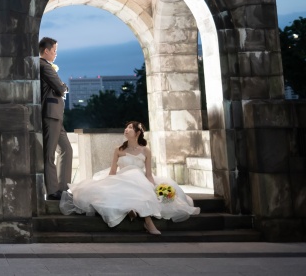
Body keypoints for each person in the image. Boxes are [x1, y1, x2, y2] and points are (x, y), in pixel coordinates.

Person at [59, 121, 200, 235]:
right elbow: (113, 171)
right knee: (123, 185)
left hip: (140, 179)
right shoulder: (119, 149)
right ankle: (145, 219)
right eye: (126, 127)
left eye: (130, 128)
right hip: (122, 178)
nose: (126, 129)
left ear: (138, 133)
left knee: (139, 180)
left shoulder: (146, 150)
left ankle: (137, 213)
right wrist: (107, 183)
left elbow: (148, 174)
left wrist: (154, 187)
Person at [39, 36, 72, 201]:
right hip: (50, 114)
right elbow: (60, 87)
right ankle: (52, 191)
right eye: (54, 50)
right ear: (46, 51)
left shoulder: (47, 66)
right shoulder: (44, 66)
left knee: (67, 149)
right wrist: (63, 86)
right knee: (49, 153)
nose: (55, 54)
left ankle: (63, 188)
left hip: (56, 115)